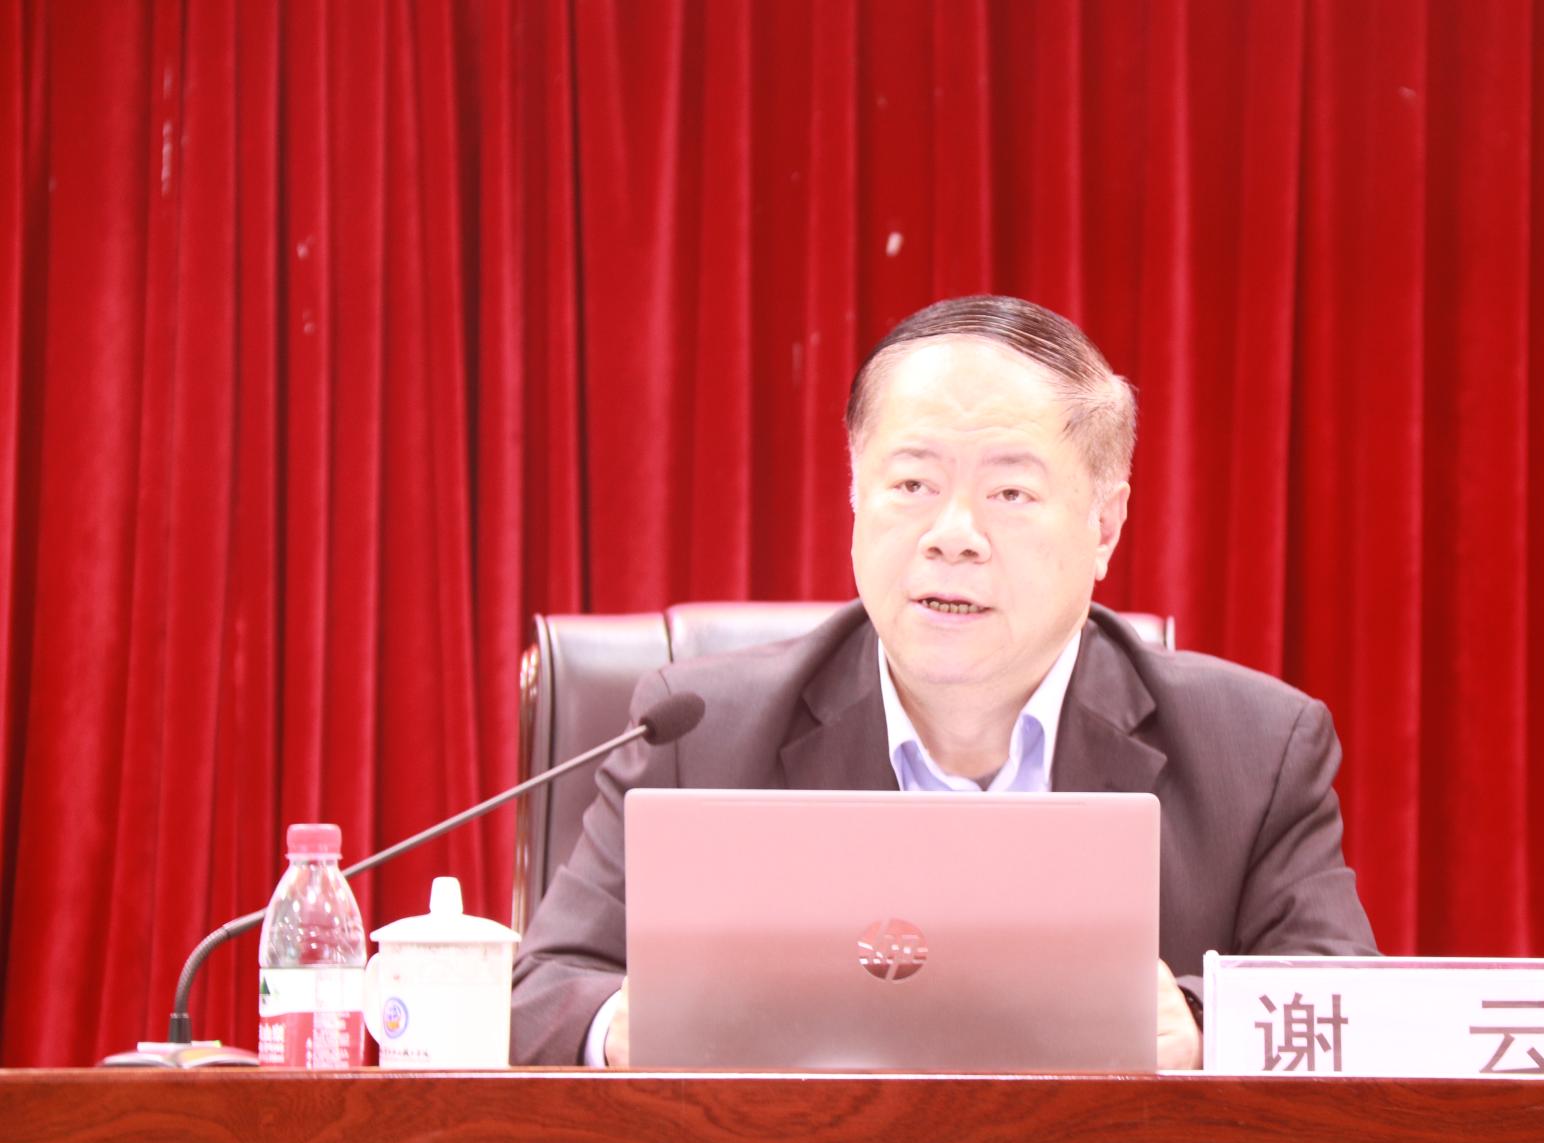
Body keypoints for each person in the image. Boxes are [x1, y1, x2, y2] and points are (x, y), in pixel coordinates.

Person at [510, 295, 1377, 1069]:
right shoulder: (699, 735)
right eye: (913, 483)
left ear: (1105, 525)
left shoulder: (1254, 750)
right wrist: (623, 1026)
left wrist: (1204, 1026)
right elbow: (539, 994)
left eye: (1010, 493)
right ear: (856, 499)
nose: (952, 534)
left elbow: (1353, 1010)